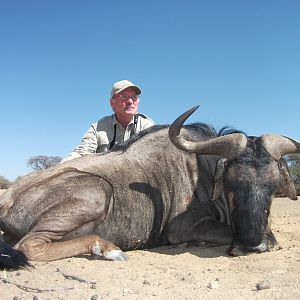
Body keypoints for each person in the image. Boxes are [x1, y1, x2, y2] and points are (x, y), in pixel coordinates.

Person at [62, 80, 154, 162]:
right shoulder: (98, 127)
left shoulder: (147, 125)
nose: (130, 101)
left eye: (134, 97)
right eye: (124, 97)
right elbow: (81, 154)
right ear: (112, 103)